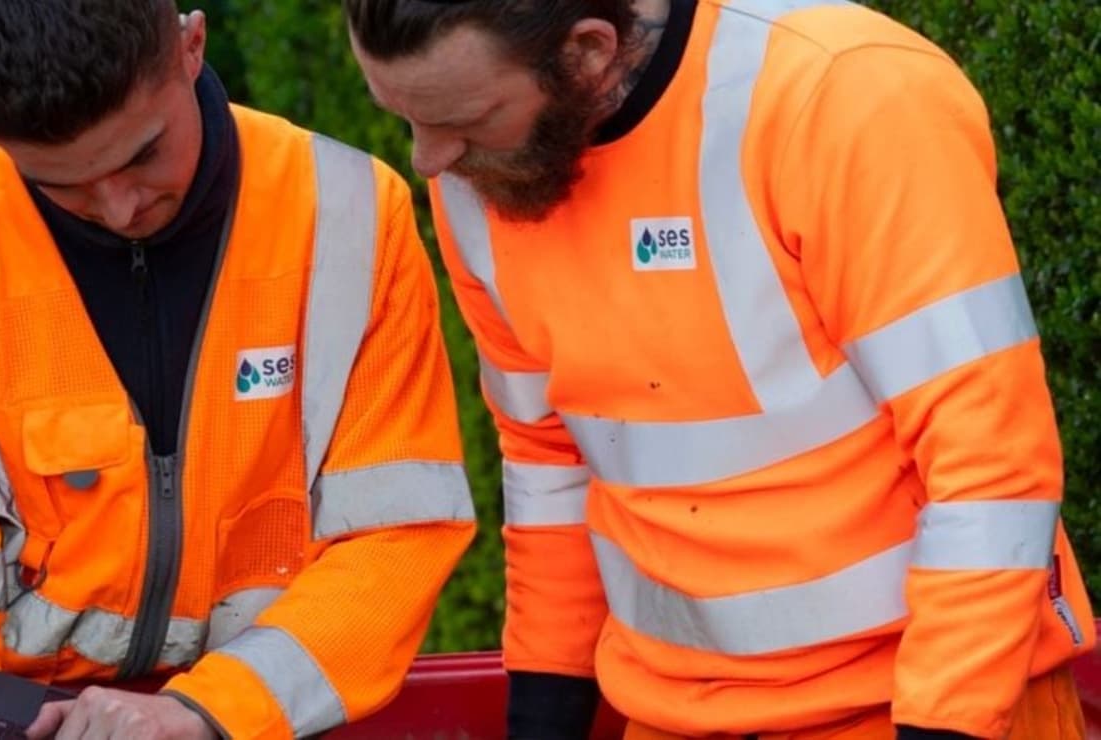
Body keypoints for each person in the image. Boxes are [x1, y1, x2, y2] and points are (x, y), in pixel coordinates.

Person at [343, 0, 1095, 738]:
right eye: (404, 116)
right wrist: (544, 713)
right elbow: (548, 461)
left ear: (588, 51)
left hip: (920, 702)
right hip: (674, 708)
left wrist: (945, 721)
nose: (426, 160)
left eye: (467, 118)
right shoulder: (483, 168)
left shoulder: (838, 93)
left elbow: (989, 462)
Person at [0, 0, 477, 737]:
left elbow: (393, 540)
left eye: (142, 155)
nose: (120, 207)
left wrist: (204, 713)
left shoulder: (351, 216)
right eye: (62, 184)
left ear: (192, 46)